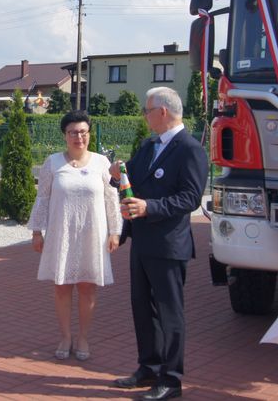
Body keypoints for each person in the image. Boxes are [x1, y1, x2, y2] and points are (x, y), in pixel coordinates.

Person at [110, 87, 208, 400]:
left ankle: (171, 380)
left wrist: (150, 207)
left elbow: (190, 198)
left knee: (170, 313)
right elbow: (133, 180)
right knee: (142, 308)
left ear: (162, 112)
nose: (144, 115)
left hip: (168, 245)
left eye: (146, 110)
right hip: (142, 240)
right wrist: (117, 176)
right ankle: (148, 367)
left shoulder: (190, 149)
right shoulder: (150, 144)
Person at [27, 110, 121, 362]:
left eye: (83, 132)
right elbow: (43, 198)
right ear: (65, 136)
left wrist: (115, 231)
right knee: (61, 286)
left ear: (89, 134)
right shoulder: (53, 163)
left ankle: (83, 337)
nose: (78, 137)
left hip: (93, 234)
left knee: (88, 287)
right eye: (72, 132)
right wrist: (37, 231)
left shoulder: (102, 163)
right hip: (62, 234)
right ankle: (66, 336)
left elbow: (111, 199)